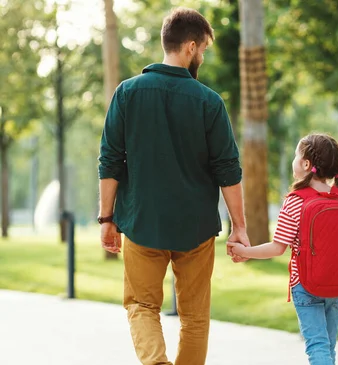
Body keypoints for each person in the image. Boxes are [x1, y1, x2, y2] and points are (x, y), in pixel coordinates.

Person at [97, 8, 249, 365]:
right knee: (195, 316)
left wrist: (107, 218)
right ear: (190, 47)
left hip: (141, 221)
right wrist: (239, 227)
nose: (203, 57)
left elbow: (110, 160)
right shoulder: (209, 101)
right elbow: (228, 169)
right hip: (195, 228)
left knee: (141, 305)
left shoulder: (127, 93)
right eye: (204, 50)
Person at [227, 134, 338, 365]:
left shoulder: (295, 201)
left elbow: (277, 248)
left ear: (305, 164)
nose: (294, 160)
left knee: (317, 346)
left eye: (296, 155)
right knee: (328, 346)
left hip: (306, 284)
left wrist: (244, 252)